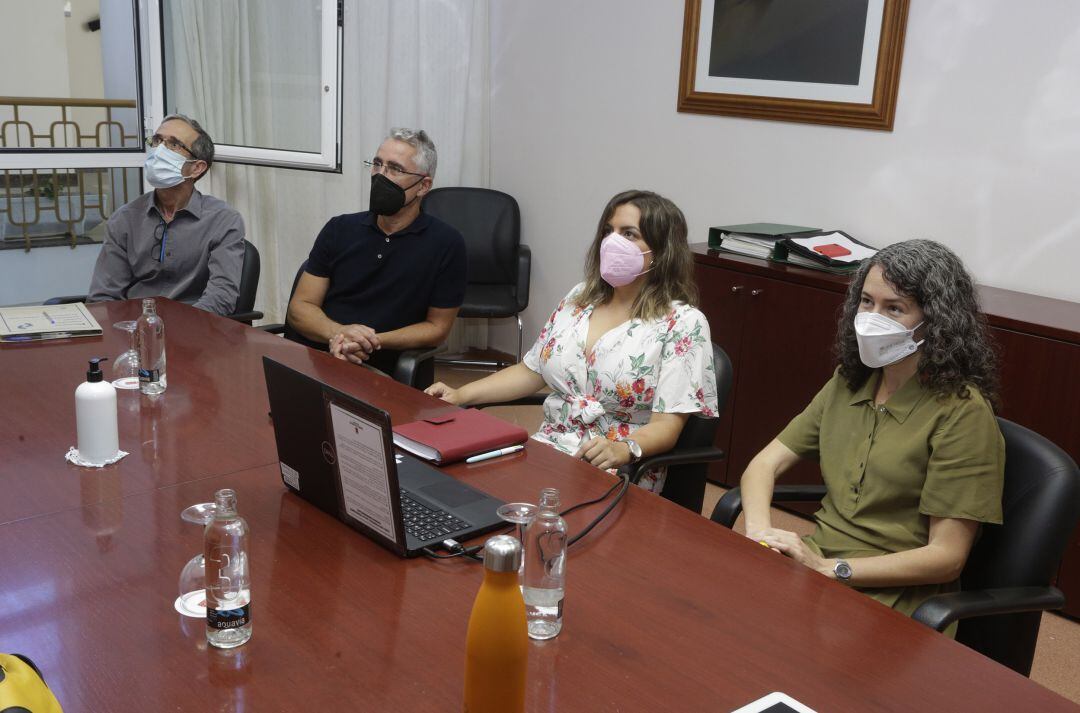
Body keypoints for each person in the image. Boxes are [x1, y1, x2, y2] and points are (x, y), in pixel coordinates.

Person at [738, 239, 1004, 630]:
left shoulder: (962, 413)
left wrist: (833, 569)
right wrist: (760, 533)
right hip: (816, 563)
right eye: (866, 302)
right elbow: (763, 464)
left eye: (894, 308)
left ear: (936, 322)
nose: (871, 318)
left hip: (893, 594)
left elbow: (946, 556)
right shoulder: (848, 382)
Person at [426, 190, 717, 492]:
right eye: (609, 231)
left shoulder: (682, 323)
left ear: (662, 251)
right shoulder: (580, 298)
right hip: (547, 450)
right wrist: (460, 395)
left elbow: (667, 427)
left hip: (616, 466)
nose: (612, 241)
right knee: (462, 490)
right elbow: (532, 370)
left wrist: (625, 448)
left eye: (629, 234)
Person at [286, 127, 466, 375]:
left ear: (423, 186)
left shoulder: (447, 244)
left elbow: (437, 328)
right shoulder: (339, 228)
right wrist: (338, 333)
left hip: (384, 371)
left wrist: (368, 341)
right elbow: (300, 307)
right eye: (377, 164)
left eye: (395, 169)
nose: (380, 175)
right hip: (321, 357)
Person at [88, 114, 244, 316]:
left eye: (174, 144)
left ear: (197, 168)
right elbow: (103, 296)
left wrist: (170, 330)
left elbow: (221, 297)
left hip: (195, 331)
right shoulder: (125, 219)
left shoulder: (223, 220)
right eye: (157, 140)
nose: (159, 150)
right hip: (133, 330)